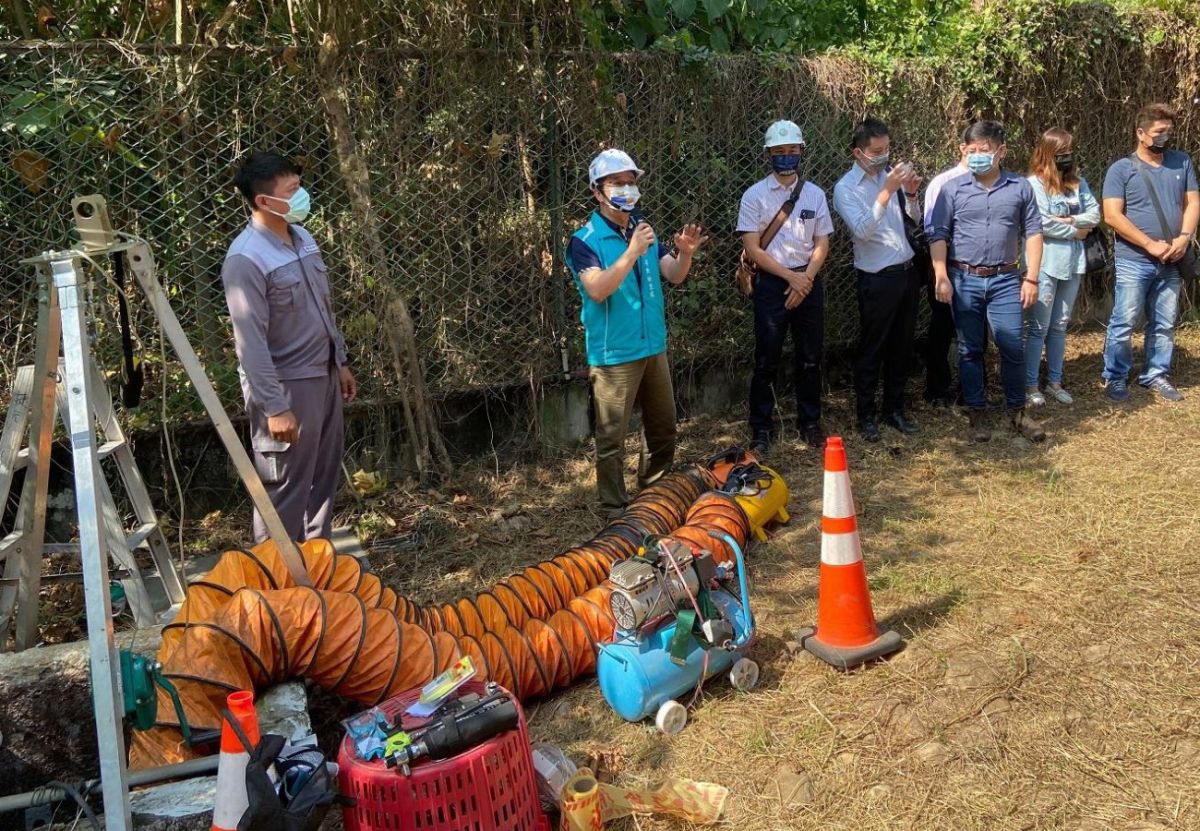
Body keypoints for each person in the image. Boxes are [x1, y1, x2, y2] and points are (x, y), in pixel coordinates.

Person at [222, 151, 357, 543]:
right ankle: (280, 584)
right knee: (285, 489)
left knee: (322, 479)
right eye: (293, 189)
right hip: (286, 387)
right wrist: (276, 407)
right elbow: (250, 343)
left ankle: (317, 569)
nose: (302, 195)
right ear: (264, 201)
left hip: (324, 376)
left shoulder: (303, 239)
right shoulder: (245, 259)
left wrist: (340, 361)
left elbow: (323, 309)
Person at [565, 149, 707, 516]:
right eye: (617, 183)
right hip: (613, 354)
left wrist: (685, 253)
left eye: (631, 182)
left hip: (653, 346)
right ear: (598, 192)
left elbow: (674, 274)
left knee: (663, 428)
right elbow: (597, 289)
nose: (626, 189)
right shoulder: (584, 240)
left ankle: (653, 498)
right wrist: (630, 252)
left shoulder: (643, 229)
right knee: (612, 439)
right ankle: (613, 510)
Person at [928, 121, 1046, 443]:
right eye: (972, 151)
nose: (978, 156)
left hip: (1006, 280)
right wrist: (941, 276)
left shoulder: (1020, 188)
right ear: (963, 152)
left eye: (985, 150)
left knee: (1011, 346)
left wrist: (1031, 278)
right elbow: (938, 235)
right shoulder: (952, 190)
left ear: (1001, 151)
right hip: (963, 279)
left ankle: (1018, 414)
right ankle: (977, 413)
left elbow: (1034, 232)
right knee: (969, 349)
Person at [738, 119, 834, 452]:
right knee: (767, 360)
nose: (786, 157)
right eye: (779, 151)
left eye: (792, 150)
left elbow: (822, 242)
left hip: (808, 283)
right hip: (771, 285)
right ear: (768, 155)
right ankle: (761, 429)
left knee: (810, 358)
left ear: (801, 151)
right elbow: (752, 248)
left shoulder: (815, 194)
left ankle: (810, 424)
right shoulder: (754, 196)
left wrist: (805, 278)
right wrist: (791, 277)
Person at [1101, 103, 1199, 402]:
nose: (1165, 138)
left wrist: (1184, 238)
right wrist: (1149, 244)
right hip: (1135, 260)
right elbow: (1112, 215)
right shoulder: (1122, 169)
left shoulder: (1181, 162)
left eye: (1169, 132)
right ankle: (1115, 377)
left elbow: (1193, 202)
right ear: (1141, 133)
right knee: (1125, 319)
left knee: (1165, 321)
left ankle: (1156, 373)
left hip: (1173, 257)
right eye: (1159, 132)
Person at [833, 117, 923, 442]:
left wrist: (910, 194)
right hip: (876, 280)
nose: (884, 156)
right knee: (873, 349)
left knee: (902, 347)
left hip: (906, 274)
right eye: (877, 150)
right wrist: (885, 193)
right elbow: (862, 230)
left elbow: (913, 222)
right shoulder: (846, 189)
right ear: (859, 152)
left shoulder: (890, 178)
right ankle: (866, 416)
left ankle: (894, 410)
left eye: (886, 149)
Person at [1024, 128, 1101, 406]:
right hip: (1045, 264)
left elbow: (1095, 214)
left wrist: (1069, 222)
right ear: (1047, 154)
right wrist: (1075, 228)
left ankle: (1055, 382)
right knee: (1038, 328)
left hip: (1074, 264)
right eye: (1061, 154)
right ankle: (1031, 385)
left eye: (1069, 152)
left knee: (1059, 325)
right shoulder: (1034, 184)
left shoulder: (1078, 183)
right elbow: (1040, 223)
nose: (1067, 158)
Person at [921, 148, 969, 408]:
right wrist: (940, 271)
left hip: (978, 269)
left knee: (976, 331)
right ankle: (937, 390)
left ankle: (970, 389)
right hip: (945, 265)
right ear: (964, 148)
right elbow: (932, 227)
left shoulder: (993, 182)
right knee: (942, 327)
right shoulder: (942, 182)